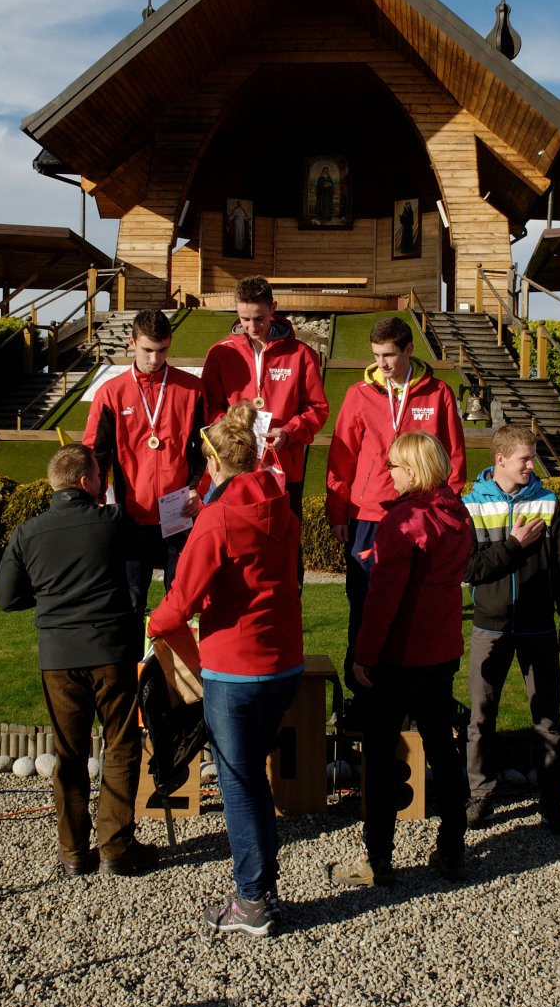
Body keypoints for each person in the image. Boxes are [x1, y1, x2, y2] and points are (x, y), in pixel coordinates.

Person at [147, 403, 303, 936]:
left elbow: (180, 602)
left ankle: (252, 898)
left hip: (235, 668)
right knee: (251, 775)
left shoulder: (217, 518)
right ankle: (262, 888)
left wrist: (156, 627)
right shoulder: (282, 508)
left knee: (238, 783)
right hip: (282, 661)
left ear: (213, 463)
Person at [0, 444, 157, 878]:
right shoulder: (112, 521)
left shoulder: (28, 532)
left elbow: (6, 597)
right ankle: (115, 846)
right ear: (87, 481)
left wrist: (49, 595)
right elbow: (146, 555)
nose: (103, 482)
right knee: (120, 744)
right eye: (99, 475)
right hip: (110, 651)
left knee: (68, 752)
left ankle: (72, 850)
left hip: (58, 655)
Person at [331, 432, 474, 887]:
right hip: (441, 649)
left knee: (380, 754)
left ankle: (378, 858)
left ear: (412, 471)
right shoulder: (457, 513)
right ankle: (452, 849)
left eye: (393, 465)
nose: (387, 472)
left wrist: (364, 655)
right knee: (442, 749)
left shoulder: (404, 521)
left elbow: (383, 598)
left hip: (400, 655)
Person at [325, 314, 467, 711]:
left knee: (418, 603)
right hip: (369, 515)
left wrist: (447, 506)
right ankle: (362, 696)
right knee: (364, 603)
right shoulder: (359, 394)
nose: (382, 364)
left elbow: (454, 457)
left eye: (388, 355)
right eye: (376, 356)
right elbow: (341, 456)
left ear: (408, 349)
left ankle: (416, 696)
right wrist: (338, 512)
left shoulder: (437, 393)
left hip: (422, 515)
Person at [462, 425, 560, 834]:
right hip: (489, 625)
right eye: (525, 459)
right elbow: (470, 568)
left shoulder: (547, 502)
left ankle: (551, 801)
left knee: (548, 719)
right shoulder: (471, 504)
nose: (532, 465)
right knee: (480, 717)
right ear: (500, 460)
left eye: (532, 458)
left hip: (538, 626)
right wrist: (512, 544)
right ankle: (480, 795)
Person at [82, 309, 204, 654]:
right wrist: (94, 502)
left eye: (162, 350)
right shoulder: (111, 392)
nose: (155, 359)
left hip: (179, 513)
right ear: (132, 343)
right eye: (148, 350)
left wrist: (198, 489)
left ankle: (176, 677)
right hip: (132, 515)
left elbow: (206, 449)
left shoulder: (191, 389)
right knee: (131, 601)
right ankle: (129, 673)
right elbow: (96, 454)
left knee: (181, 603)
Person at [200, 274, 328, 553]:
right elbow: (210, 408)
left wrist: (289, 432)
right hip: (236, 467)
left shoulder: (301, 354)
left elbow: (317, 409)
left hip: (283, 469)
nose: (252, 326)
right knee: (237, 547)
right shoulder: (220, 353)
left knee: (285, 548)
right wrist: (233, 432)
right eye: (244, 319)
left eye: (259, 318)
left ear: (273, 309)